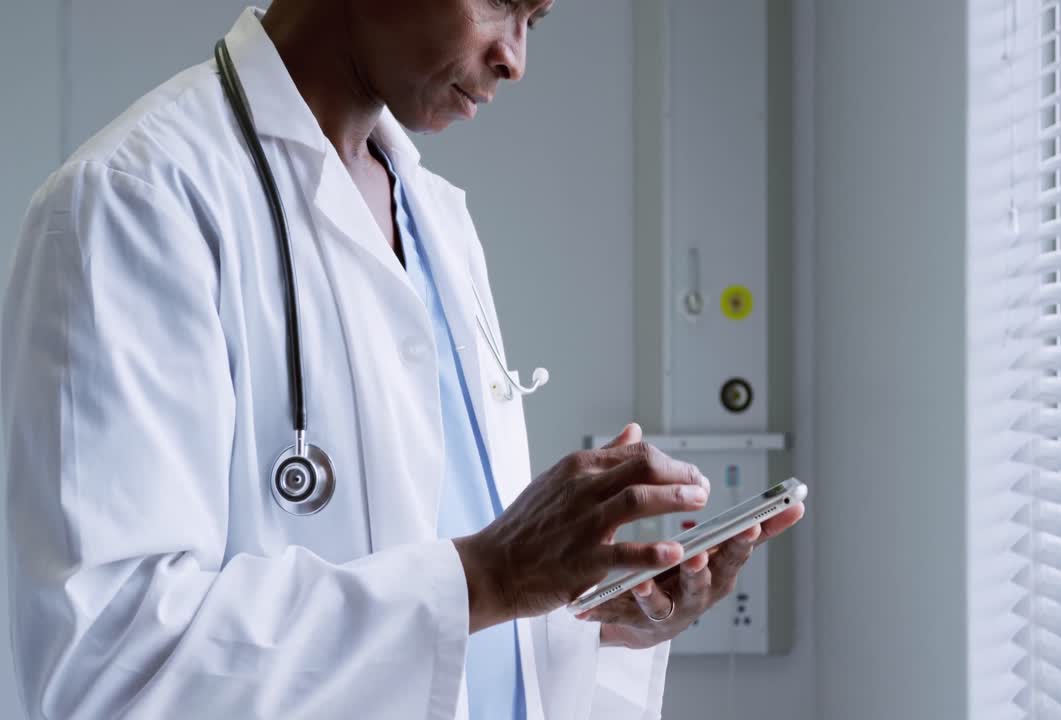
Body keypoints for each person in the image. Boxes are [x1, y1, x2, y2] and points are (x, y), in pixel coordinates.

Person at [0, 2, 805, 719]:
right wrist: (489, 576)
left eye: (535, 21)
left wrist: (607, 607)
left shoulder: (440, 222)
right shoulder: (134, 203)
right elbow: (104, 671)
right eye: (499, 6)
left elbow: (460, 616)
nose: (514, 58)